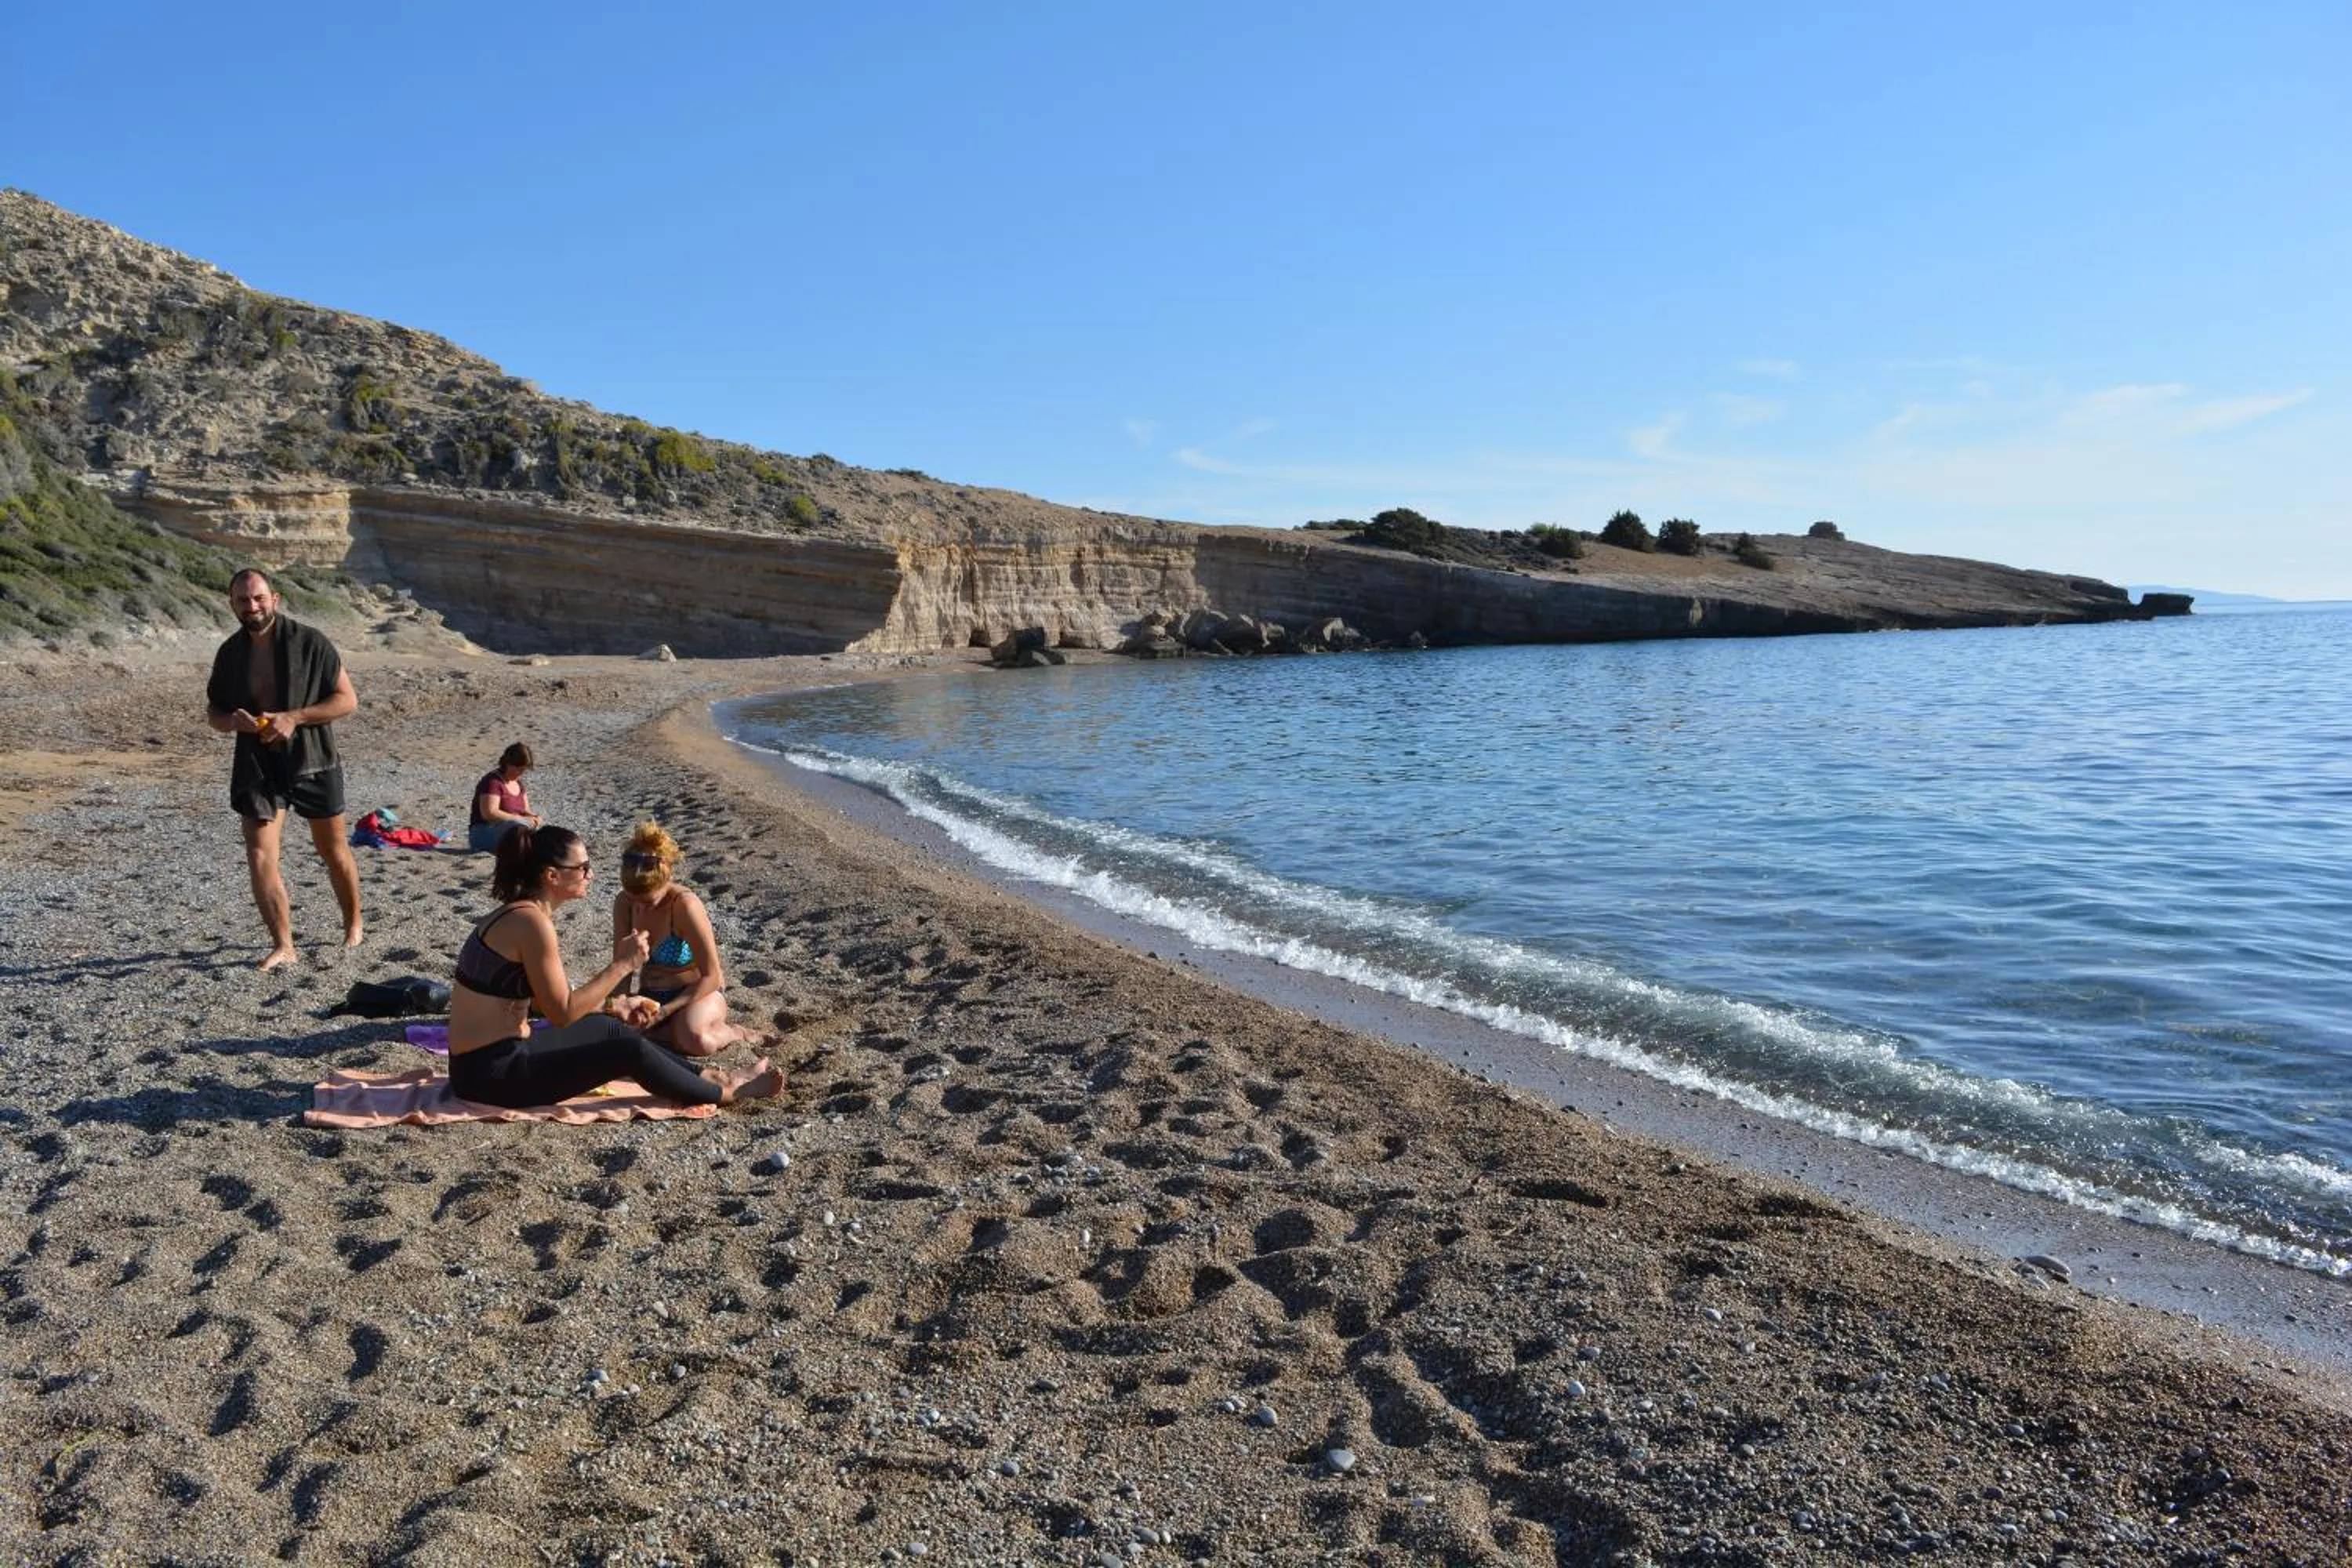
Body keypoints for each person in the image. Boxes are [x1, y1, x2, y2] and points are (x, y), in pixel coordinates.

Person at [445, 824, 782, 1110]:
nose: (590, 874)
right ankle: (726, 1093)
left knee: (610, 1029)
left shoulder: (517, 915)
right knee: (626, 1049)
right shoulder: (532, 924)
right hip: (492, 1076)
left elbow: (542, 1004)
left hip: (488, 1062)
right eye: (583, 867)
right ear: (552, 876)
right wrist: (622, 965)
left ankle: (710, 1077)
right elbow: (561, 1014)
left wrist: (614, 1006)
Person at [204, 567, 363, 971]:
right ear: (232, 604)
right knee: (260, 854)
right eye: (243, 600)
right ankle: (284, 944)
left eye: (259, 598)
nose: (252, 606)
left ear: (275, 599)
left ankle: (353, 922)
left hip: (313, 760)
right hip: (257, 765)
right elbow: (214, 713)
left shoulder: (310, 642)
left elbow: (347, 700)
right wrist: (232, 722)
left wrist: (295, 717)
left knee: (333, 850)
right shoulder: (230, 653)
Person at [613, 822, 751, 1056]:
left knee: (697, 1040)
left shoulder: (684, 905)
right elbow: (621, 967)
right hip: (651, 994)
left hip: (695, 994)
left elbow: (713, 976)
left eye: (648, 901)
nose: (640, 906)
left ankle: (737, 1032)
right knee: (614, 1032)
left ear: (667, 880)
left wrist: (665, 1012)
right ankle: (669, 1033)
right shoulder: (624, 903)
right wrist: (620, 1004)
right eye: (634, 898)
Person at [469, 742, 541, 852]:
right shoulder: (492, 782)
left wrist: (535, 818)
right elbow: (490, 813)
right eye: (519, 769)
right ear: (508, 764)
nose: (521, 773)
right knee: (518, 828)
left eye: (523, 770)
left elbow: (525, 811)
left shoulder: (519, 784)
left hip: (511, 828)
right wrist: (519, 819)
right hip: (484, 832)